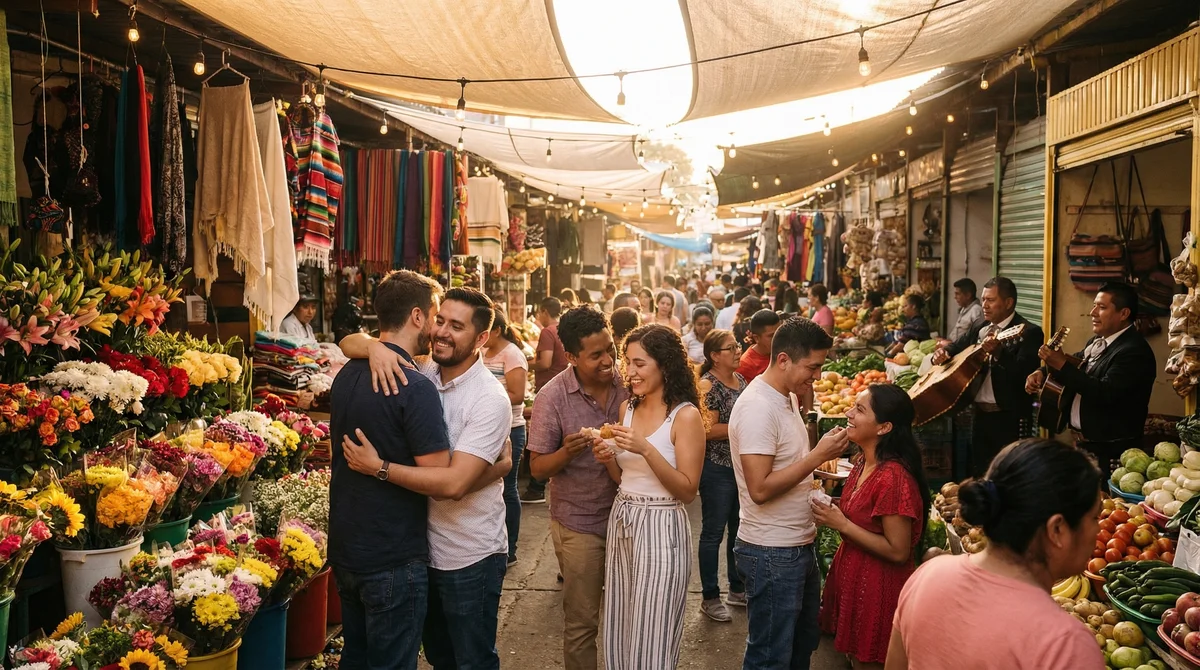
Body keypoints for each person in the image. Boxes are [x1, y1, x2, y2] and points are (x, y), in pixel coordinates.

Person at [338, 285, 514, 670]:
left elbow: (453, 485)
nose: (442, 332)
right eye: (441, 320)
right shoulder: (424, 370)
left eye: (457, 326)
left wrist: (379, 467)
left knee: (472, 660)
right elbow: (347, 342)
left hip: (469, 555)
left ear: (482, 338)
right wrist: (374, 347)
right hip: (420, 552)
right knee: (438, 657)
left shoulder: (489, 398)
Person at [886, 439, 1104, 670]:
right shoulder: (1066, 645)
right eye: (1094, 518)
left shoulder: (927, 576)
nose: (1099, 530)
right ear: (1057, 529)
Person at [329, 271, 452, 670]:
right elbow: (438, 478)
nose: (437, 328)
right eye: (435, 316)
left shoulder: (347, 373)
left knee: (357, 658)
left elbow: (351, 344)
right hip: (392, 556)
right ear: (417, 316)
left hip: (348, 549)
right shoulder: (415, 387)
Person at [730, 317, 850, 670]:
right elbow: (760, 488)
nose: (815, 376)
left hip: (796, 545)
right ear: (783, 360)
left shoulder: (787, 399)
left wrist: (814, 474)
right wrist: (818, 455)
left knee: (799, 648)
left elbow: (786, 466)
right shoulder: (758, 407)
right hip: (771, 552)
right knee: (770, 657)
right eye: (811, 367)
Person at [594, 324, 705, 669]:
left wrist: (644, 448)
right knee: (619, 624)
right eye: (628, 362)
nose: (631, 372)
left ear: (665, 364)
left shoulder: (685, 416)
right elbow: (623, 476)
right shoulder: (627, 407)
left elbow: (687, 490)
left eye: (640, 363)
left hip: (662, 525)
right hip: (624, 517)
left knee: (653, 632)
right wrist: (608, 456)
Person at [527, 307, 628, 670]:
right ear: (570, 357)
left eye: (610, 349)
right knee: (583, 621)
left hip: (633, 518)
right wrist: (565, 453)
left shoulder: (631, 383)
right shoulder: (551, 398)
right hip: (581, 523)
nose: (608, 361)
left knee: (630, 618)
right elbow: (537, 468)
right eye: (596, 354)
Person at [815, 384, 930, 668]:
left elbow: (898, 550)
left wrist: (840, 523)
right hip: (858, 585)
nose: (849, 413)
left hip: (879, 592)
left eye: (860, 410)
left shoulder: (893, 478)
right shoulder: (863, 462)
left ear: (884, 427)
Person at [1024, 282, 1156, 473]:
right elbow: (1076, 361)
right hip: (1086, 446)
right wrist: (1042, 372)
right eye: (1094, 305)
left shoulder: (1134, 351)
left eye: (1102, 307)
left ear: (1124, 314)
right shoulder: (1098, 342)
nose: (1093, 312)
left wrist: (1061, 365)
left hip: (1112, 454)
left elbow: (1105, 392)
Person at [931, 277, 1043, 476]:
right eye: (983, 299)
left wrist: (1000, 353)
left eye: (990, 300)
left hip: (1010, 417)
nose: (984, 305)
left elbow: (1023, 373)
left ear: (1008, 303)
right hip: (979, 414)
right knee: (980, 472)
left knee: (1008, 473)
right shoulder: (980, 326)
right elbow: (957, 345)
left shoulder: (1030, 332)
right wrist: (943, 353)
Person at [697, 329, 748, 622]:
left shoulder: (740, 380)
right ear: (715, 356)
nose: (738, 351)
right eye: (732, 348)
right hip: (716, 469)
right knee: (713, 533)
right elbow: (705, 430)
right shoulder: (708, 386)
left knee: (737, 531)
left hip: (739, 468)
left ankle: (737, 588)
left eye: (738, 345)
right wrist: (742, 426)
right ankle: (710, 596)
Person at [482, 309, 530, 565]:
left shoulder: (512, 354)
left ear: (497, 330)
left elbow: (518, 395)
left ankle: (510, 550)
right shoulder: (483, 352)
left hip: (511, 428)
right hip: (488, 427)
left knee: (508, 489)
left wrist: (486, 397)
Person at [535, 297, 570, 393]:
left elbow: (545, 363)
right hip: (564, 383)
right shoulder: (564, 329)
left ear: (545, 312)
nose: (539, 317)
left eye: (539, 313)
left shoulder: (548, 332)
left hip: (549, 385)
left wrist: (527, 364)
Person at [736, 309, 781, 383]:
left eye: (779, 333)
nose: (777, 338)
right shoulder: (746, 366)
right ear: (756, 338)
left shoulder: (783, 351)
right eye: (771, 336)